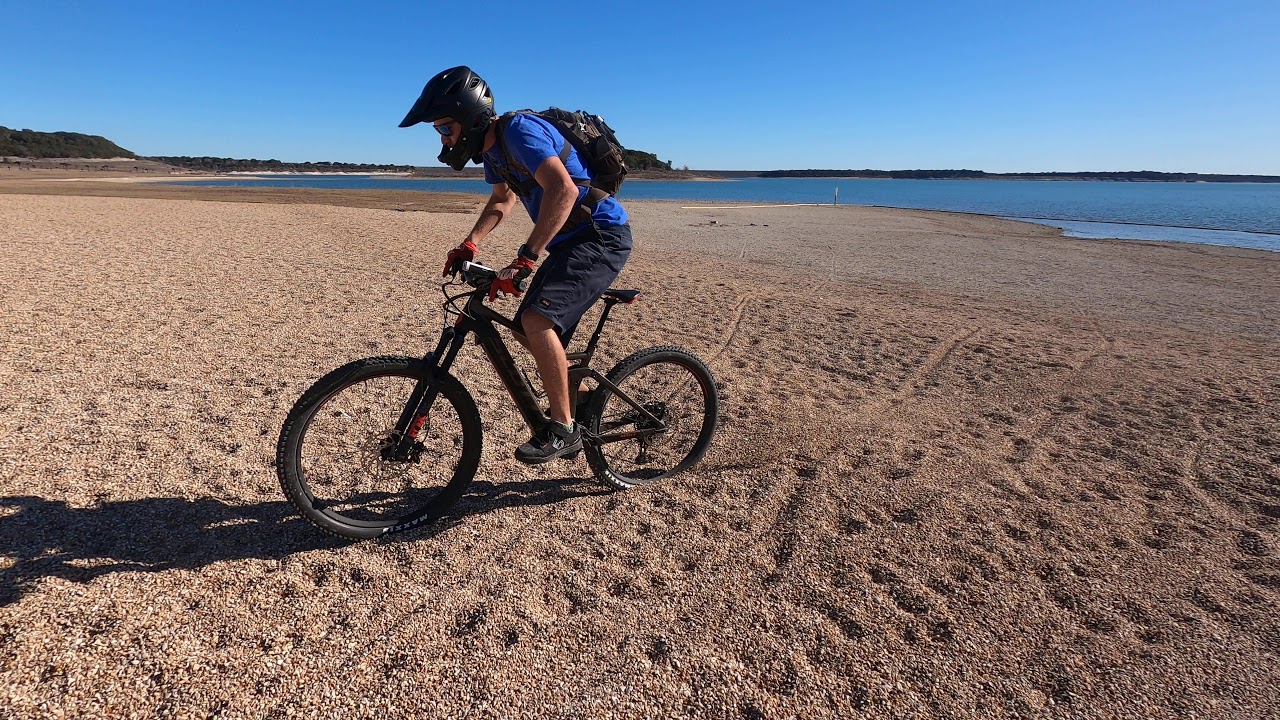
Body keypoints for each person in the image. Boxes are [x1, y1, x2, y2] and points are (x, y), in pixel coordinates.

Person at [398, 66, 632, 465]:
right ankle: (580, 399)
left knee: (537, 321)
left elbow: (564, 189)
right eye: (438, 131)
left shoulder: (519, 131)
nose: (444, 138)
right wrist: (470, 243)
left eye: (445, 128)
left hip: (600, 235)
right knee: (529, 326)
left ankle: (563, 429)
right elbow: (501, 202)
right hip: (569, 243)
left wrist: (526, 256)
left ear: (470, 116)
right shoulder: (493, 150)